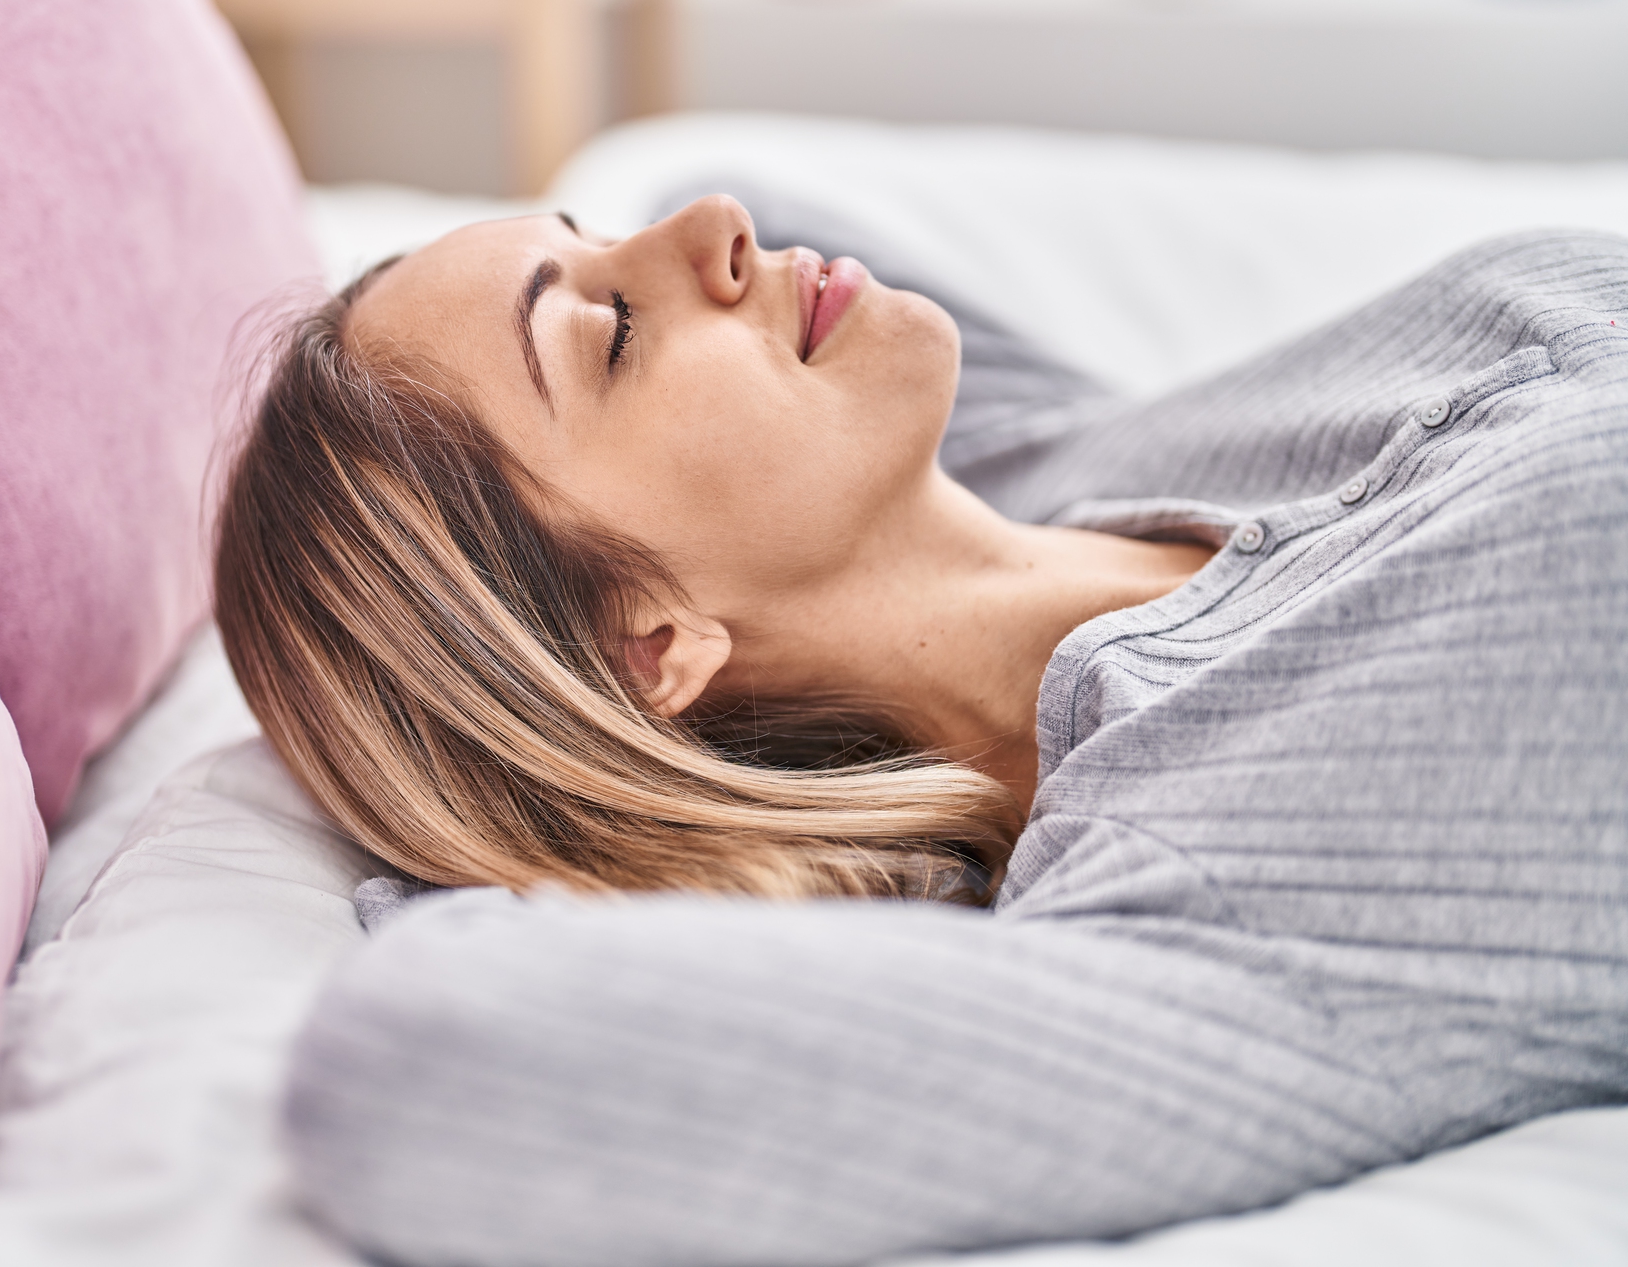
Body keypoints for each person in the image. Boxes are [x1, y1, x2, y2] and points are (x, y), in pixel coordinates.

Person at [214, 197, 1628, 1266]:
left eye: (603, 239)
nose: (714, 232)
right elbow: (421, 1063)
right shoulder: (1204, 884)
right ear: (650, 644)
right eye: (609, 333)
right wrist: (570, 825)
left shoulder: (1061, 459)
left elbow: (720, 165)